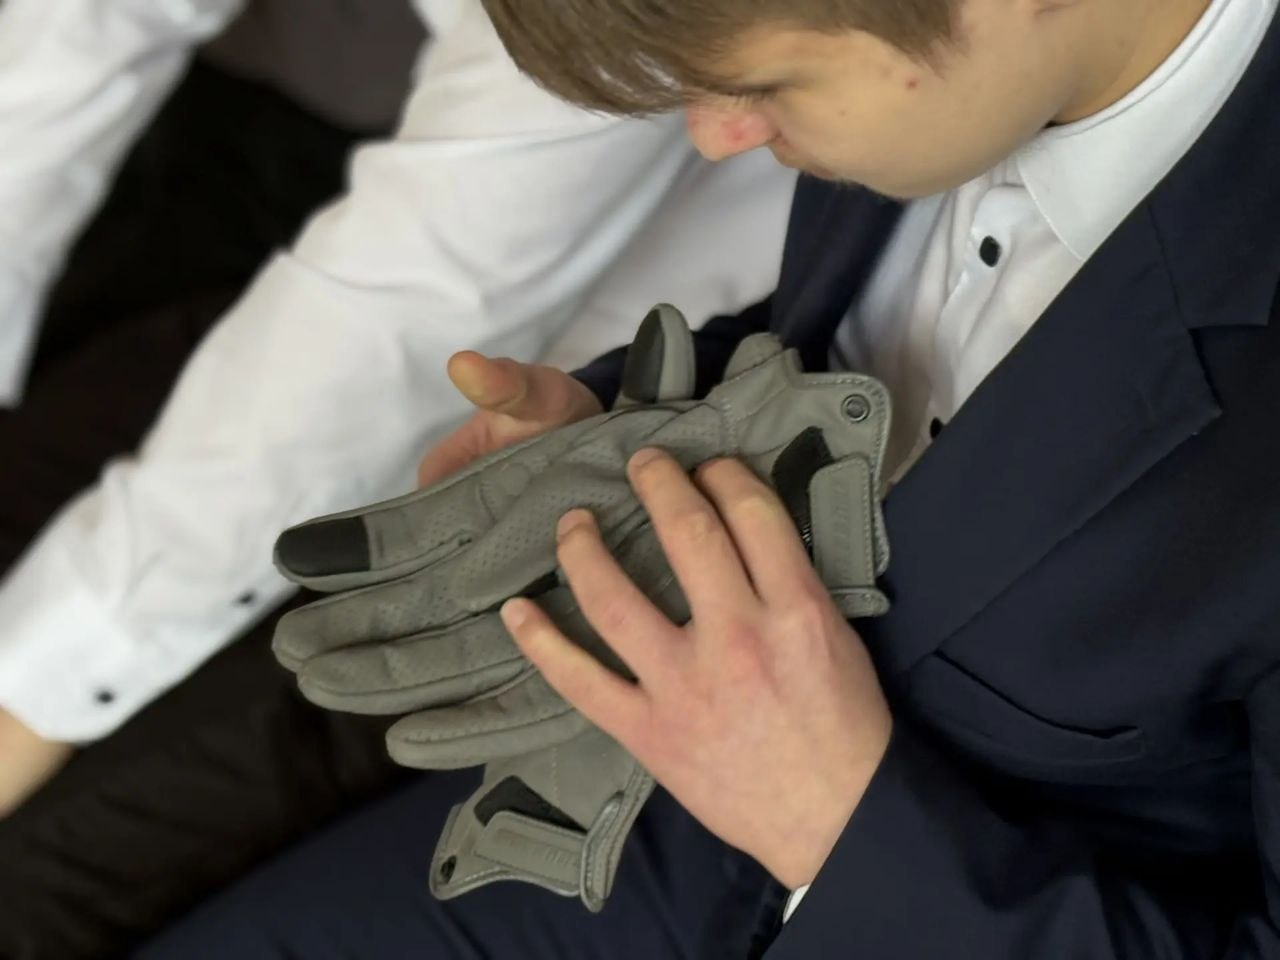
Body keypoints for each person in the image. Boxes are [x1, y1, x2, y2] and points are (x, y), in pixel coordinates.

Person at [132, 0, 1280, 956]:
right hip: (641, 823)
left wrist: (829, 821)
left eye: (764, 86)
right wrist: (649, 437)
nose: (714, 138)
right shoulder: (935, 89)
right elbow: (880, 347)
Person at [0, 0, 795, 953]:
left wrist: (32, 701)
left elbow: (413, 297)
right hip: (349, 320)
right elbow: (76, 29)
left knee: (42, 885)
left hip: (582, 425)